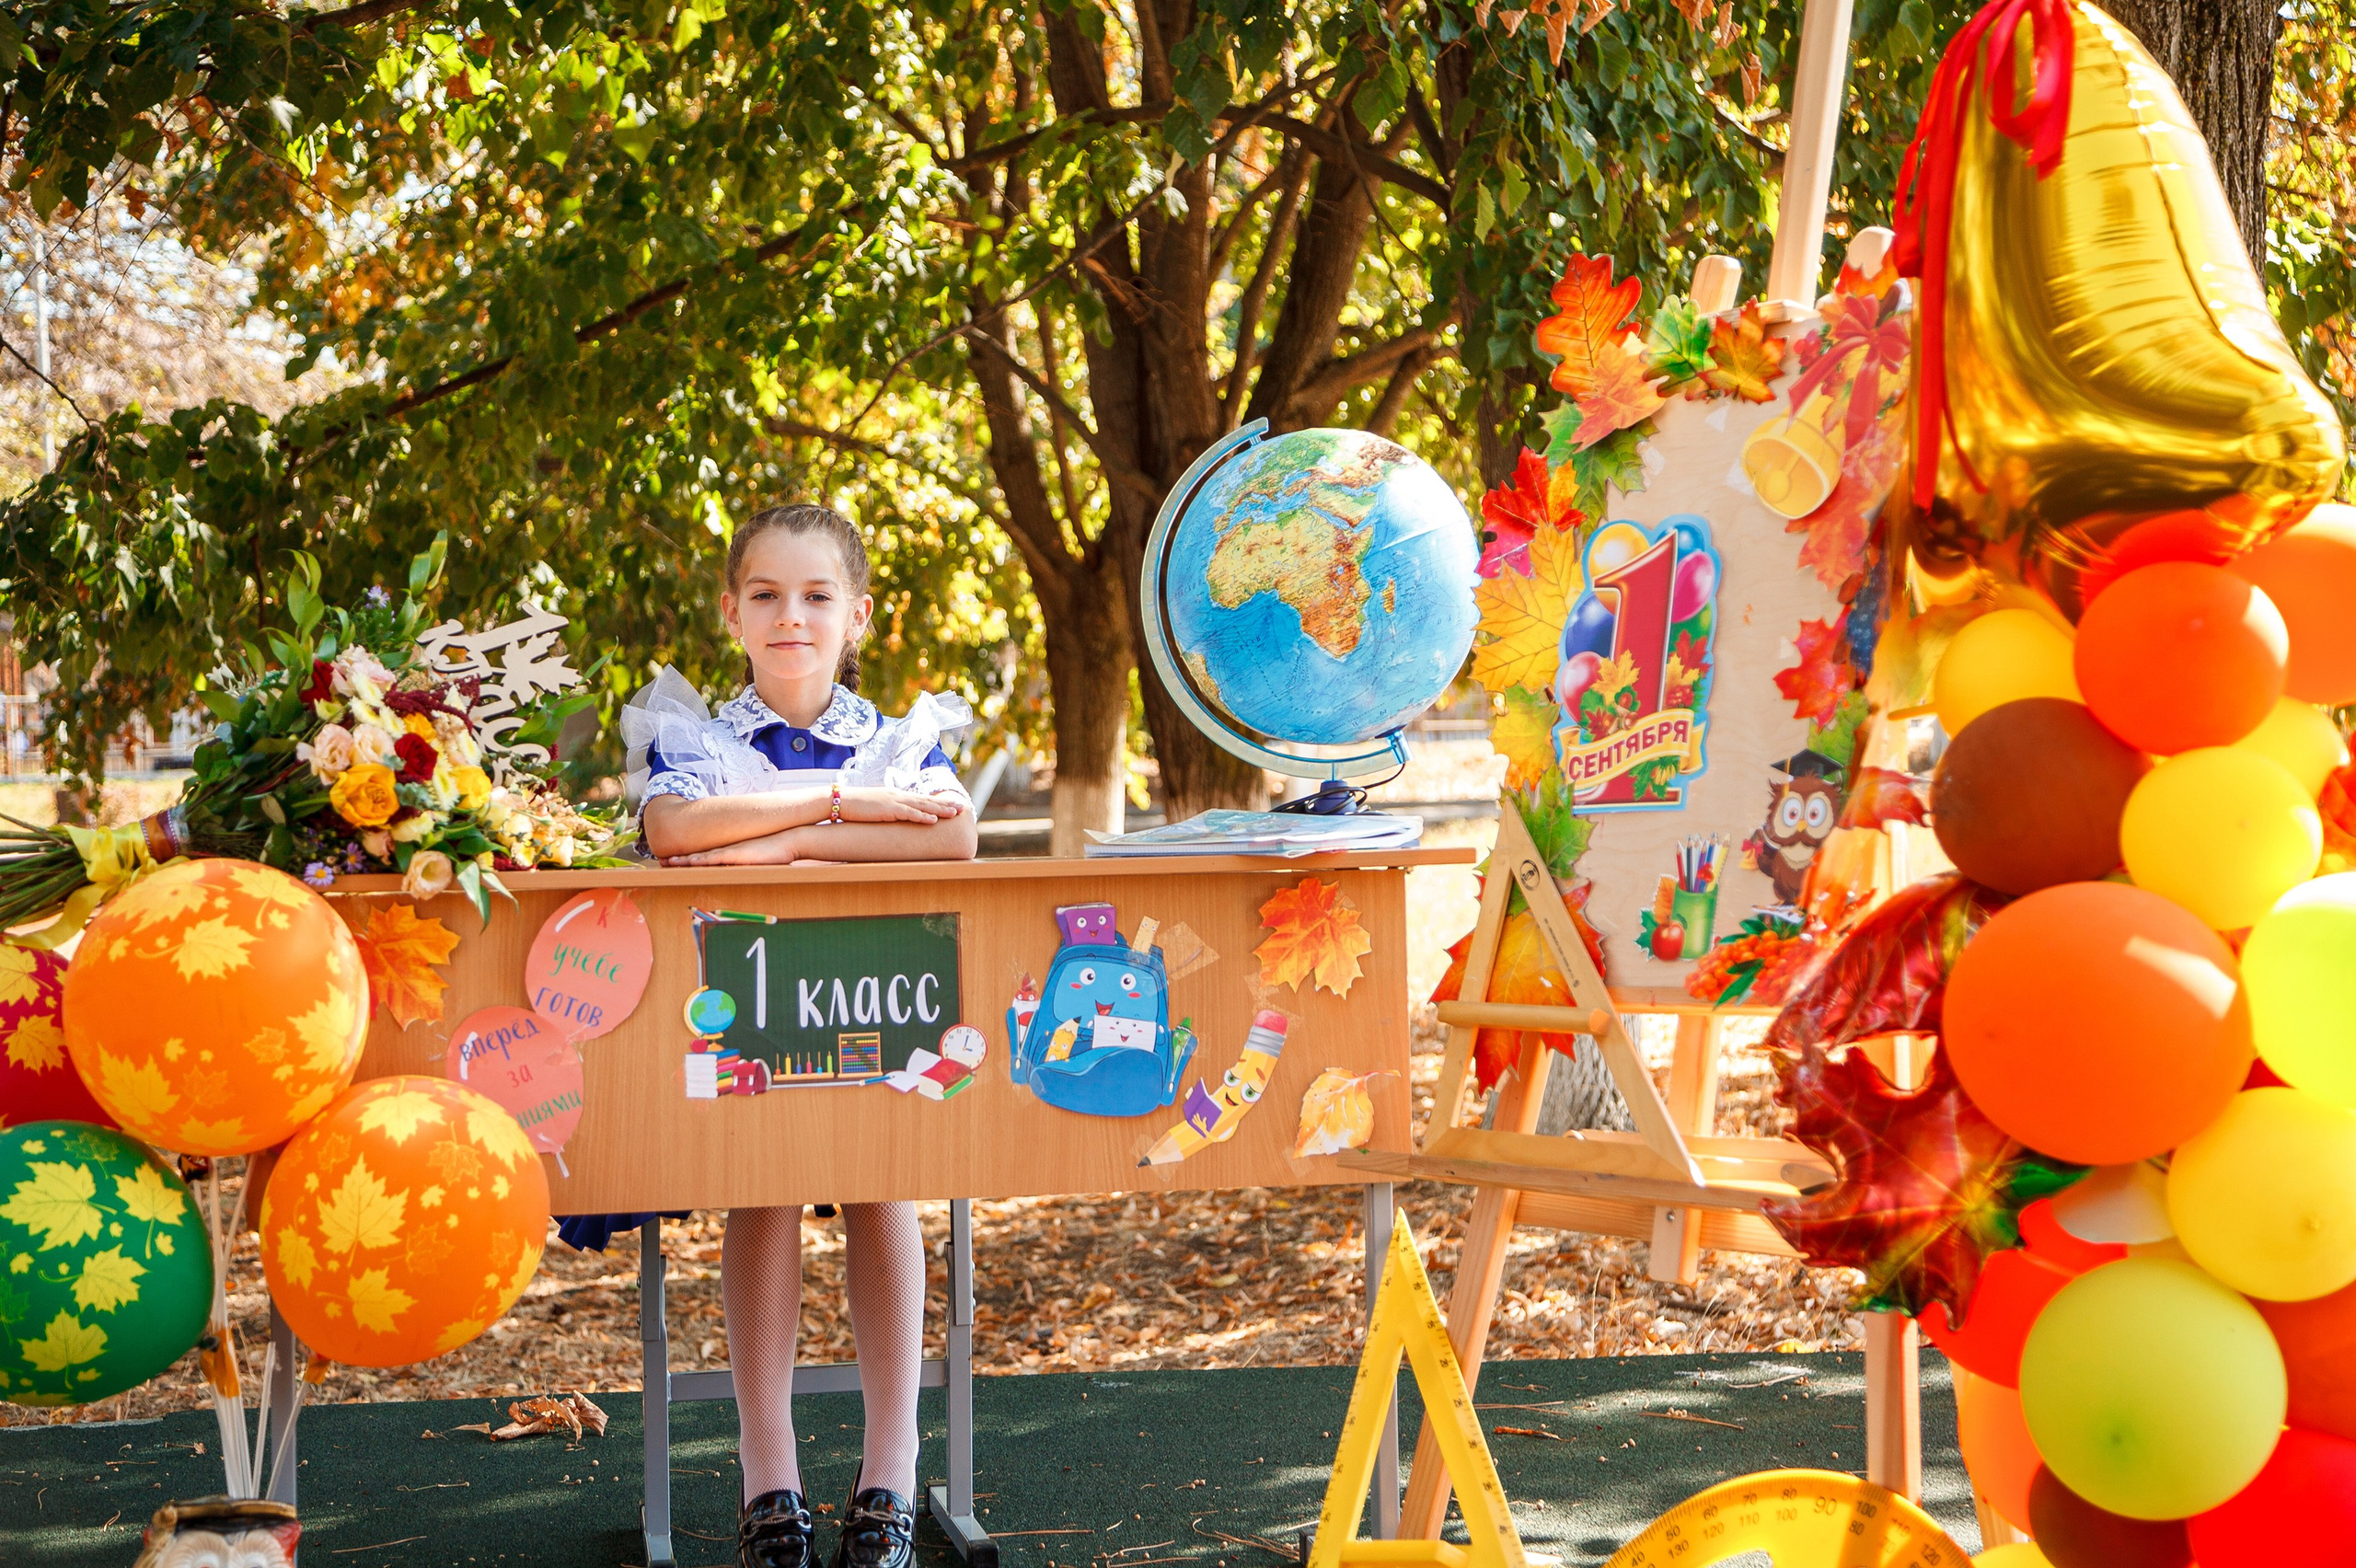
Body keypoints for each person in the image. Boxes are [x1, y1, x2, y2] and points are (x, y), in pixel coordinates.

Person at [627, 502, 977, 1568]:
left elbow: (951, 839)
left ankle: (891, 1474)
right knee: (764, 1187)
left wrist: (780, 849)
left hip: (880, 998)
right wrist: (837, 804)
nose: (792, 616)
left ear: (856, 616)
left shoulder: (896, 740)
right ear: (731, 612)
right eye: (767, 595)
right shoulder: (699, 739)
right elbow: (674, 830)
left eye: (818, 595)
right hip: (746, 1002)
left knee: (884, 1182)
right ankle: (767, 1472)